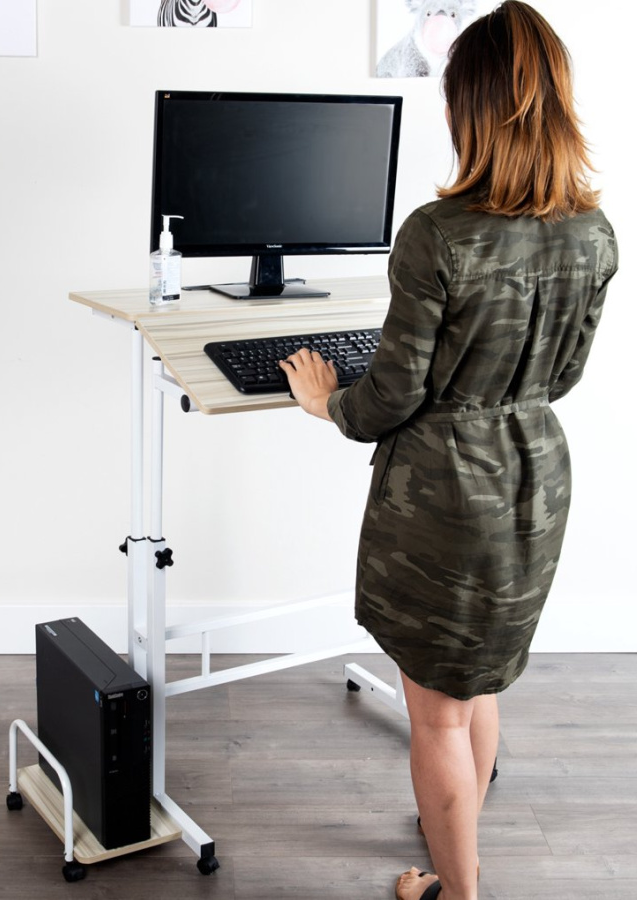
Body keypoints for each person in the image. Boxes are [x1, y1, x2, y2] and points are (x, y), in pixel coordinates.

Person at [279, 4, 617, 900]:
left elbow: (391, 395)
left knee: (435, 712)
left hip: (444, 498)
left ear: (474, 106)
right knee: (478, 683)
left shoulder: (440, 233)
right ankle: (452, 859)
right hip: (535, 478)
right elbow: (568, 372)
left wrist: (324, 402)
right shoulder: (594, 233)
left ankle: (457, 893)